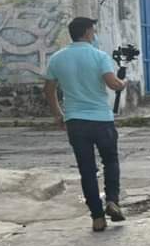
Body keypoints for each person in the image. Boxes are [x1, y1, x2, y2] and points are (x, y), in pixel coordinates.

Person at [43, 16, 127, 233]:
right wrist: (123, 83)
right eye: (93, 31)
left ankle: (97, 217)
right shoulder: (99, 56)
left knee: (87, 169)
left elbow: (49, 90)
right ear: (88, 32)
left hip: (75, 121)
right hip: (102, 120)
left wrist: (58, 115)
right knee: (110, 161)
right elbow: (112, 83)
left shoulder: (57, 58)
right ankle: (112, 200)